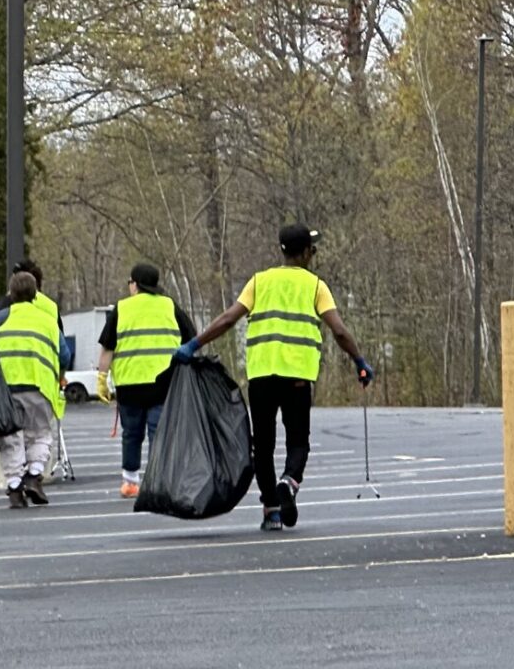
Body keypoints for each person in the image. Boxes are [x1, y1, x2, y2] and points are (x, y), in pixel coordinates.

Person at [180, 223, 373, 531]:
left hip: (261, 376)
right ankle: (289, 482)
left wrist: (194, 344)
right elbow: (338, 330)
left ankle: (271, 511)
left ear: (282, 250)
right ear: (308, 252)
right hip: (297, 376)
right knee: (299, 441)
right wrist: (359, 360)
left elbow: (229, 318)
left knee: (264, 446)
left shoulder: (259, 281)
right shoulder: (315, 286)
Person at [95, 261, 195, 497]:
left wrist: (101, 378)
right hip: (163, 383)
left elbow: (108, 348)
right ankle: (159, 481)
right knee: (158, 432)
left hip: (130, 386)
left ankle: (130, 482)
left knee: (132, 434)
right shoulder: (170, 306)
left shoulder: (122, 308)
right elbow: (191, 338)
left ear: (135, 285)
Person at [0, 263, 64, 508]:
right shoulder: (48, 321)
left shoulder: (0, 319)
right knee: (41, 433)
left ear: (11, 294)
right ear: (35, 294)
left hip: (7, 389)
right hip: (40, 385)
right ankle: (34, 475)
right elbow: (64, 354)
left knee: (11, 437)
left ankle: (14, 487)